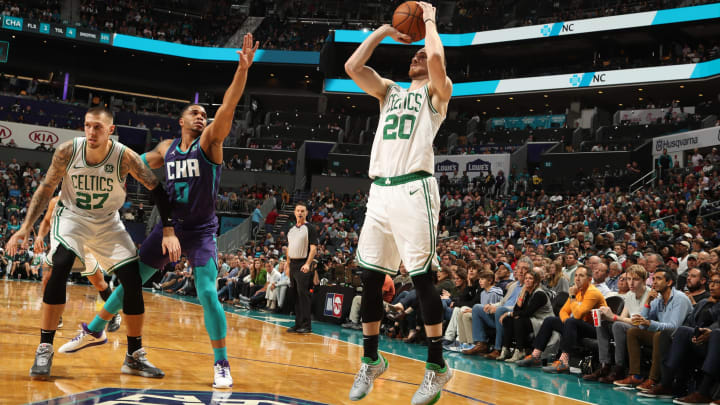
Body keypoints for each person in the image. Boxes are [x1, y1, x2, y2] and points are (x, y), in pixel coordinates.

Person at [59, 34, 258, 388]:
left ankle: (222, 364)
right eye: (196, 113)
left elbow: (227, 107)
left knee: (208, 292)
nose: (202, 117)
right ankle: (94, 329)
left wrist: (241, 72)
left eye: (204, 115)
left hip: (199, 232)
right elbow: (127, 165)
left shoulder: (210, 143)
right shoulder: (166, 149)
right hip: (170, 227)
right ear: (181, 121)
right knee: (133, 280)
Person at [5, 106, 179, 379]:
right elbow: (47, 187)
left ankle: (134, 355)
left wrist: (168, 229)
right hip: (73, 217)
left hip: (108, 221)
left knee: (132, 280)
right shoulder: (67, 151)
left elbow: (155, 188)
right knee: (60, 265)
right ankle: (44, 348)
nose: (91, 131)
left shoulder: (124, 156)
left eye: (97, 126)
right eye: (87, 125)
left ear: (110, 130)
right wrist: (26, 228)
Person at [344, 3, 454, 403]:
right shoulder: (389, 91)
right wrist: (382, 32)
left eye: (422, 54)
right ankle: (371, 360)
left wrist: (428, 20)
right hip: (380, 190)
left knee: (422, 277)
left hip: (414, 188)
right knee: (371, 277)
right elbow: (353, 68)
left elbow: (438, 56)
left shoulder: (438, 92)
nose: (418, 56)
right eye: (415, 53)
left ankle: (437, 367)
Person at [34, 195, 121, 332]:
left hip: (85, 246)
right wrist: (39, 236)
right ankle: (56, 316)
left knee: (99, 283)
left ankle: (114, 314)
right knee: (47, 279)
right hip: (62, 245)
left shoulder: (90, 199)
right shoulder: (56, 202)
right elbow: (46, 221)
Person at [286, 202, 318, 333]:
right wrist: (287, 266)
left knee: (303, 295)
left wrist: (307, 264)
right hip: (292, 265)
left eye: (302, 211)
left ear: (306, 213)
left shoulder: (310, 228)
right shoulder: (291, 230)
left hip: (303, 264)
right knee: (295, 296)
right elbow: (288, 248)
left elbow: (314, 248)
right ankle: (298, 324)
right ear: (294, 212)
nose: (300, 213)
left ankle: (306, 325)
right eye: (298, 210)